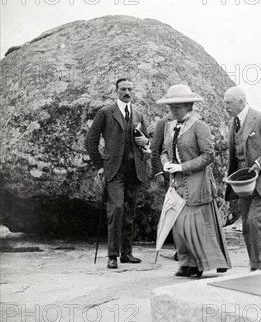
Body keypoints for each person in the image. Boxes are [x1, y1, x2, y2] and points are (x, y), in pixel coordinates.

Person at [158, 85, 231, 277]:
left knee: (194, 225)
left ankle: (201, 263)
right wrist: (166, 163)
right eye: (171, 106)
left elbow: (209, 155)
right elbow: (164, 150)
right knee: (179, 225)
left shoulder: (199, 126)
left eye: (178, 106)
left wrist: (182, 167)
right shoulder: (169, 126)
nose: (173, 110)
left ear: (188, 106)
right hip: (177, 185)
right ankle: (187, 263)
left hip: (197, 183)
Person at [85, 78, 150, 269]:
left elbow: (146, 141)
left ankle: (127, 253)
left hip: (134, 169)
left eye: (130, 89)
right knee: (116, 210)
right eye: (123, 89)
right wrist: (100, 166)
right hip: (114, 170)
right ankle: (112, 255)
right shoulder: (105, 112)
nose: (127, 92)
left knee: (130, 211)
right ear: (116, 91)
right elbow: (91, 141)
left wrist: (145, 142)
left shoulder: (137, 113)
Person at [223, 86, 261, 271]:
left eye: (229, 102)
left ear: (241, 102)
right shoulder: (231, 123)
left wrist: (258, 163)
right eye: (224, 102)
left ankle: (259, 269)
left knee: (253, 222)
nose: (225, 106)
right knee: (247, 226)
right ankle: (257, 267)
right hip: (244, 185)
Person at [151, 113, 179, 261]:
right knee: (173, 210)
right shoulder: (163, 123)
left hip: (188, 174)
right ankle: (178, 248)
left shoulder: (194, 120)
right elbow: (156, 149)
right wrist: (159, 173)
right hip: (170, 176)